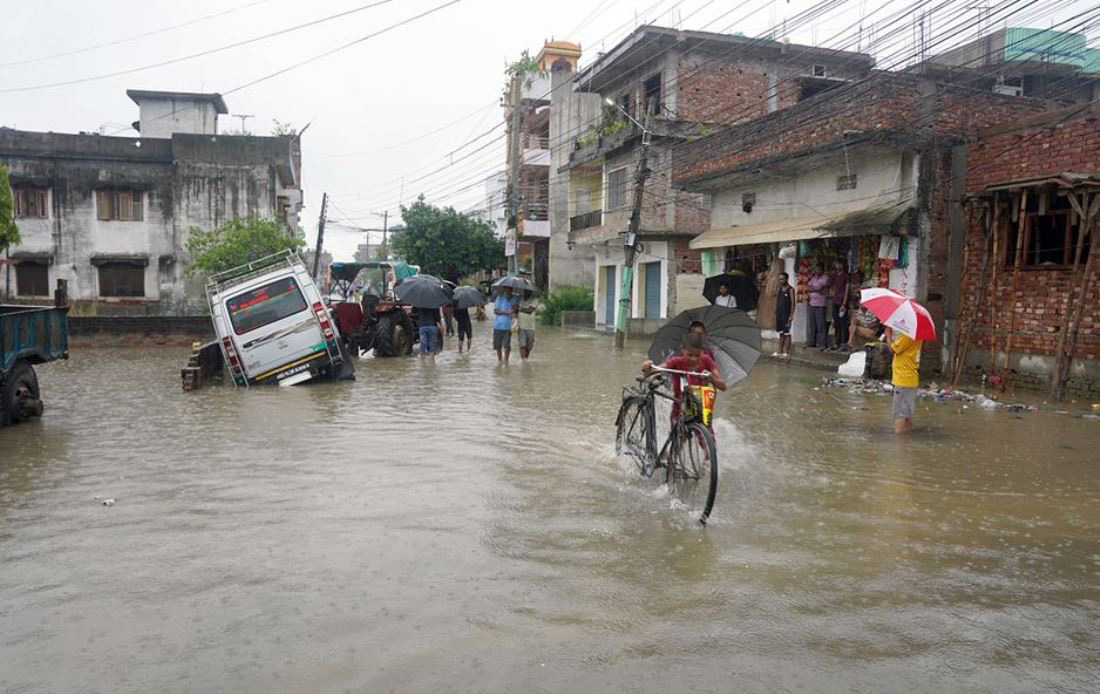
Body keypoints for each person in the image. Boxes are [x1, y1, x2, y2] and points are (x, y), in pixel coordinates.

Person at [641, 333, 727, 427]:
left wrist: (711, 378)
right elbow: (657, 369)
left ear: (702, 352)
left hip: (701, 407)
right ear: (683, 350)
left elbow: (723, 386)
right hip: (679, 408)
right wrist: (648, 367)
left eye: (697, 355)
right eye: (689, 355)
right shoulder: (676, 362)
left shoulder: (707, 361)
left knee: (707, 438)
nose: (693, 359)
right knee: (678, 436)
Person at [887, 326, 923, 435]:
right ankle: (906, 441)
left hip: (903, 379)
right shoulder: (918, 335)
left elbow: (893, 349)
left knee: (900, 415)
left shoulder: (907, 335)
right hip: (911, 378)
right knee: (907, 415)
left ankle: (899, 445)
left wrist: (888, 334)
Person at [807, 262, 831, 350]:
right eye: (816, 269)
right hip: (812, 303)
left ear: (822, 270)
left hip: (820, 304)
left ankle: (822, 343)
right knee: (812, 324)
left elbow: (819, 288)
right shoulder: (813, 278)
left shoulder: (825, 278)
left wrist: (813, 288)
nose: (817, 271)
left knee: (821, 324)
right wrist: (814, 288)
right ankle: (812, 342)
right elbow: (808, 288)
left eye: (819, 269)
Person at [492, 287, 518, 364]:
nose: (508, 291)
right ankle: (500, 361)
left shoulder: (516, 298)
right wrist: (506, 312)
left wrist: (514, 312)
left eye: (509, 289)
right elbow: (496, 311)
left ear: (512, 290)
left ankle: (506, 360)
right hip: (498, 325)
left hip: (508, 326)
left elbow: (516, 308)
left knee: (507, 345)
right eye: (506, 289)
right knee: (498, 346)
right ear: (504, 290)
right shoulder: (500, 297)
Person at [774, 272, 794, 359]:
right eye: (779, 279)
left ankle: (786, 351)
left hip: (786, 315)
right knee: (781, 333)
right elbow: (777, 301)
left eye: (782, 279)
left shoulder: (790, 289)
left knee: (787, 333)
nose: (780, 281)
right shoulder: (780, 289)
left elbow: (793, 303)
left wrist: (791, 315)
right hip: (779, 314)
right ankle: (779, 350)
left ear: (786, 279)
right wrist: (775, 312)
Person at [830, 260, 849, 351]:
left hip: (842, 303)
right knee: (836, 323)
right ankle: (837, 343)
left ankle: (843, 343)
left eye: (839, 264)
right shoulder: (835, 276)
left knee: (843, 324)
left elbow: (846, 290)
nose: (838, 266)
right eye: (837, 264)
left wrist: (844, 304)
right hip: (835, 302)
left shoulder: (845, 276)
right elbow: (833, 288)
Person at [517, 290, 538, 361]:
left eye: (528, 291)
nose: (526, 292)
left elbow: (530, 311)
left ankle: (526, 359)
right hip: (521, 326)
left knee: (528, 347)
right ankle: (524, 362)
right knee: (522, 345)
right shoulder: (519, 299)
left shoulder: (535, 299)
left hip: (531, 327)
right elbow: (515, 309)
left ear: (531, 292)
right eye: (525, 291)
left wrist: (520, 308)